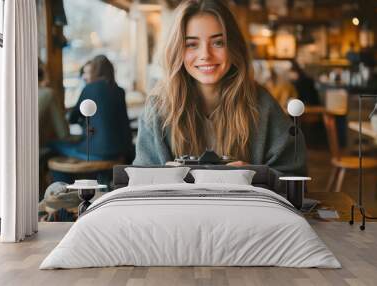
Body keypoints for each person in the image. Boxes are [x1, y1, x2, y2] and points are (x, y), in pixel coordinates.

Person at [133, 0, 307, 176]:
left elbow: (294, 175)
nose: (205, 55)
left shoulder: (263, 105)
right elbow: (140, 179)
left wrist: (254, 175)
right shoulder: (157, 109)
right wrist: (164, 176)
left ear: (233, 47)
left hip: (243, 205)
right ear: (177, 50)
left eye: (218, 43)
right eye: (192, 44)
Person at [52, 55, 134, 163]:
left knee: (53, 145)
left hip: (98, 153)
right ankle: (103, 178)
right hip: (123, 151)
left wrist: (83, 122)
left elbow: (72, 118)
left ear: (94, 71)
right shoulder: (120, 91)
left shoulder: (89, 88)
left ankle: (61, 179)